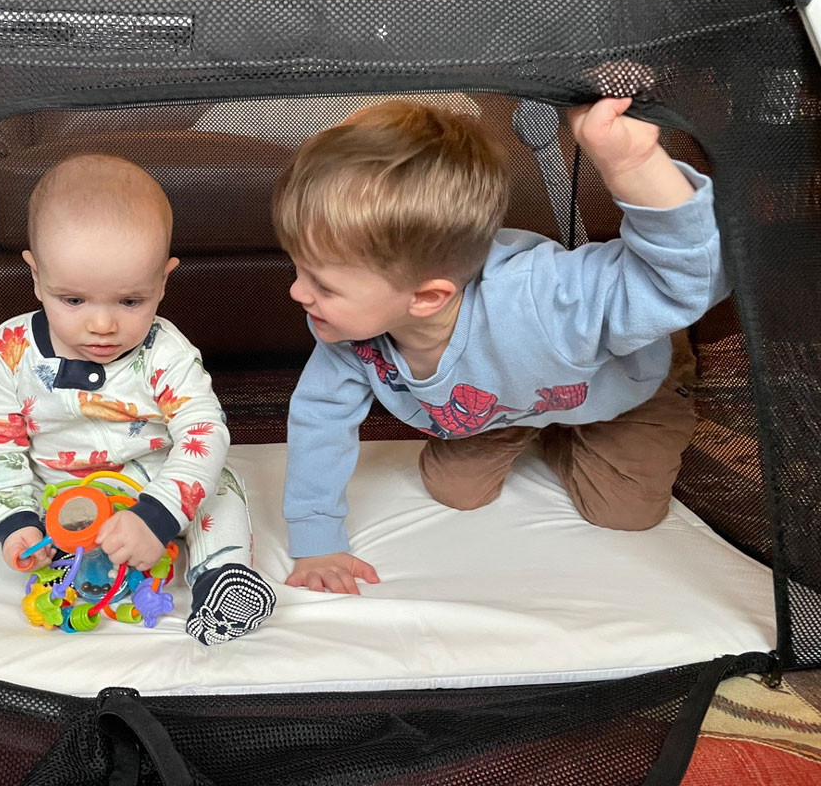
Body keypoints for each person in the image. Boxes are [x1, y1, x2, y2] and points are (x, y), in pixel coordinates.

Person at [274, 96, 726, 595]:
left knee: (625, 513)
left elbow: (685, 283)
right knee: (455, 491)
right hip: (499, 405)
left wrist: (633, 165)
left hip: (618, 384)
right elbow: (320, 418)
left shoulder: (543, 298)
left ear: (427, 297)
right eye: (298, 267)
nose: (296, 292)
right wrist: (316, 539)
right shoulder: (350, 340)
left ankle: (573, 419)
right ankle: (543, 421)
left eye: (323, 284)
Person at [0, 153, 276, 644]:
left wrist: (157, 514)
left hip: (152, 482)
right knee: (60, 541)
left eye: (130, 301)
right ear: (35, 275)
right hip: (63, 499)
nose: (102, 326)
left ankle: (219, 579)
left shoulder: (166, 351)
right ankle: (77, 559)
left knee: (220, 484)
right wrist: (15, 522)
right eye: (73, 300)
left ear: (162, 280)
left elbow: (203, 431)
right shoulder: (9, 351)